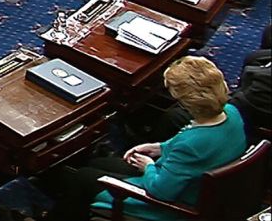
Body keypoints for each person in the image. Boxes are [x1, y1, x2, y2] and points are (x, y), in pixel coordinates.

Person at [39, 56, 246, 221]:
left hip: (169, 205)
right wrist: (159, 148)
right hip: (194, 183)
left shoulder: (192, 145)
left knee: (83, 177)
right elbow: (190, 141)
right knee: (98, 162)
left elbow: (161, 192)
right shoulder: (231, 112)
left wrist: (148, 166)